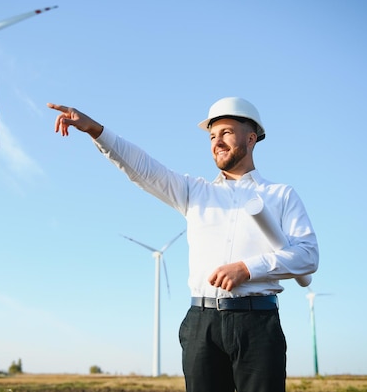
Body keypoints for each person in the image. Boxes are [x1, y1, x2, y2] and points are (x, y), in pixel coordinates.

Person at [47, 97, 319, 392]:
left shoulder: (281, 195)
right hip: (202, 325)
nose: (217, 142)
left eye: (226, 132)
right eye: (213, 136)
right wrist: (95, 130)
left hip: (258, 324)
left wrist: (247, 268)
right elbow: (143, 167)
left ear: (251, 138)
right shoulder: (194, 192)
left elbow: (307, 256)